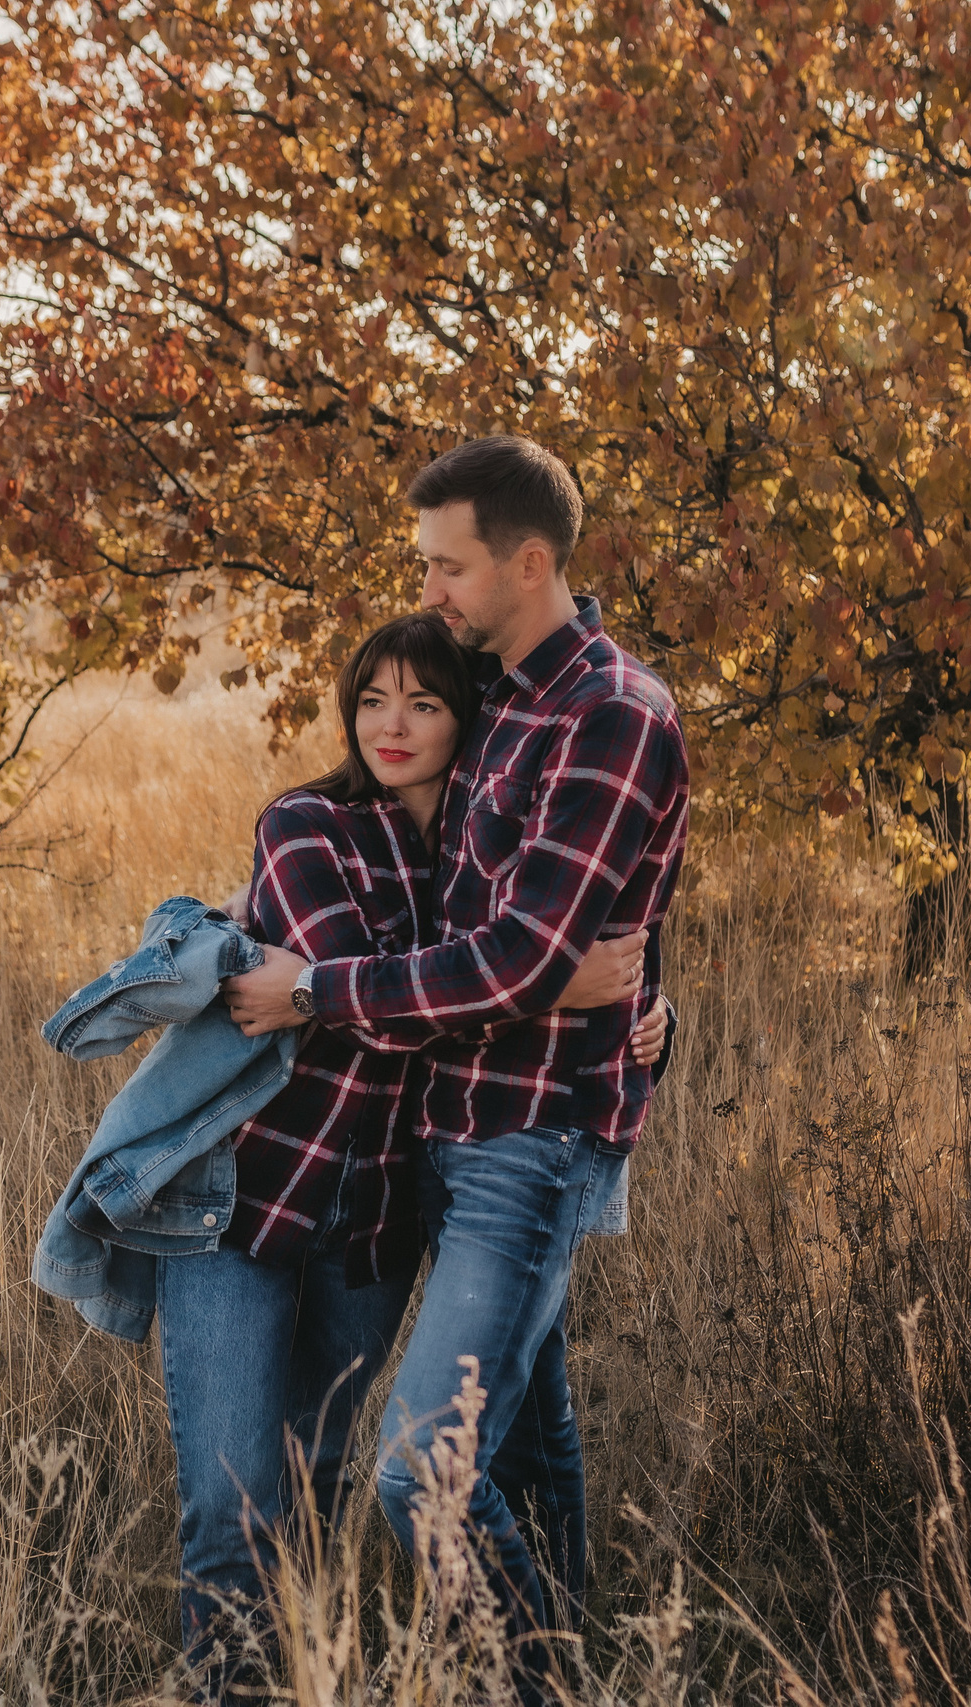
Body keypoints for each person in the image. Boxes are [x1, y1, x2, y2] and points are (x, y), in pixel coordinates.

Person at [222, 436, 690, 1677]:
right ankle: (571, 1641)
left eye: (449, 566)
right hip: (450, 1129)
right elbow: (528, 928)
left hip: (527, 1143)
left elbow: (520, 958)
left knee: (421, 1467)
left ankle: (545, 1680)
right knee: (531, 1441)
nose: (430, 591)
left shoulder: (607, 714)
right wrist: (637, 999)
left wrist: (318, 989)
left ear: (528, 563)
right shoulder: (506, 702)